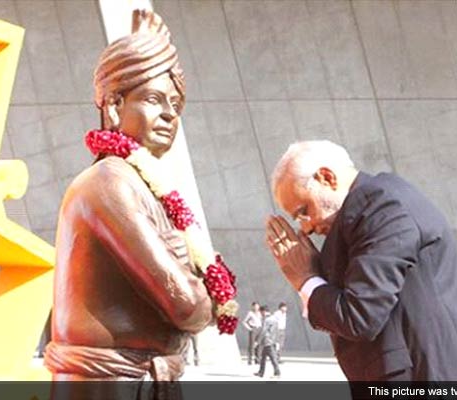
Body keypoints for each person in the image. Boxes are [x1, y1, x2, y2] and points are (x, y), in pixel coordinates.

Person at [46, 9, 213, 398]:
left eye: (175, 103)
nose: (170, 113)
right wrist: (201, 289)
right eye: (154, 99)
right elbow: (188, 307)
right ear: (115, 106)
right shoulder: (107, 183)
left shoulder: (141, 184)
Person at [265, 140, 457, 381]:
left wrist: (306, 279)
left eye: (304, 211)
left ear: (327, 178)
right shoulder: (372, 207)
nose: (306, 228)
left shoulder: (381, 207)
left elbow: (360, 317)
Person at [254, 305, 281, 379]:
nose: (261, 314)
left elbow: (263, 331)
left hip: (267, 341)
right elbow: (277, 331)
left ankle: (277, 372)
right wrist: (277, 341)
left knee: (273, 358)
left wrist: (257, 341)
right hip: (272, 340)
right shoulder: (274, 319)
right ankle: (261, 372)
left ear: (263, 311)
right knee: (263, 357)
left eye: (261, 312)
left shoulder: (267, 320)